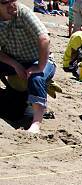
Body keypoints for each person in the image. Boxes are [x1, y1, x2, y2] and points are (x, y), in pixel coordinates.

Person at [0, 0, 55, 133]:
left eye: (13, 0)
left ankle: (36, 123)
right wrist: (15, 64)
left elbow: (44, 39)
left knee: (36, 78)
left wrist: (40, 67)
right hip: (15, 60)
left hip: (39, 59)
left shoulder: (23, 12)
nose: (11, 5)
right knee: (13, 113)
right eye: (5, 2)